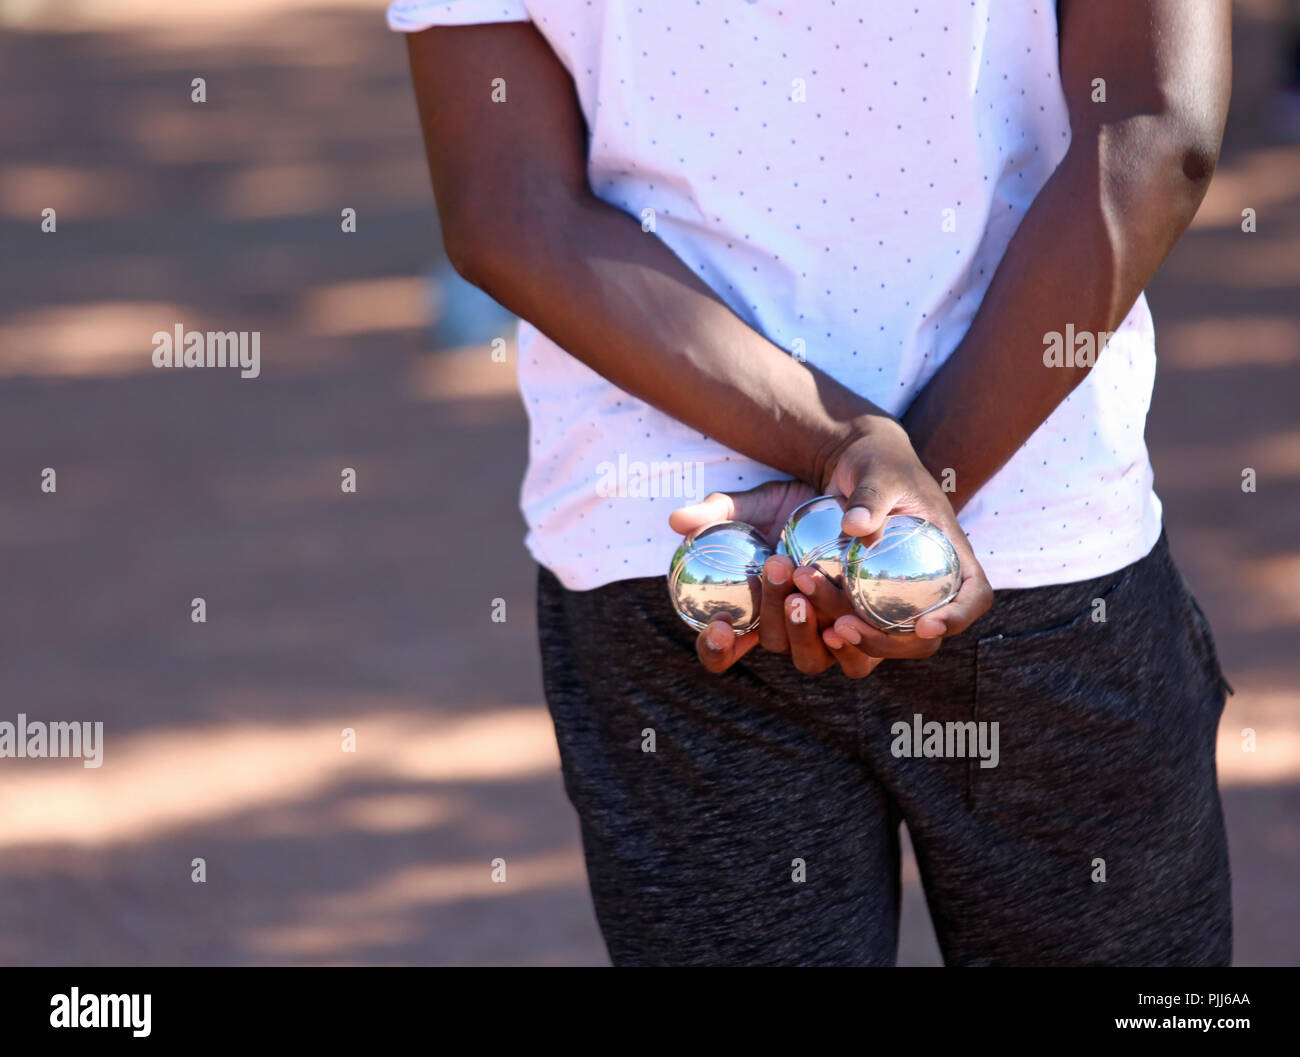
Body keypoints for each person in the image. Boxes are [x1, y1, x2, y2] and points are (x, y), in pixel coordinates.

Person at [391, 0, 1234, 966]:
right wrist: (912, 508)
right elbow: (1158, 133)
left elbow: (508, 209)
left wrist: (855, 456)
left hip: (692, 560)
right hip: (1035, 529)